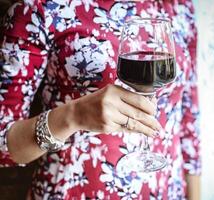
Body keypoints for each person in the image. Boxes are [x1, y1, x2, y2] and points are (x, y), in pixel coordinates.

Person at [0, 0, 200, 199]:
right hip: (71, 192)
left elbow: (189, 122)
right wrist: (74, 115)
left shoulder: (179, 7)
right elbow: (3, 146)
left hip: (169, 192)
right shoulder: (41, 7)